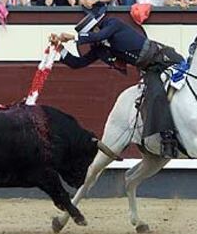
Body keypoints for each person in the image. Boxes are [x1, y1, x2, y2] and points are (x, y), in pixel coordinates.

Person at [51, 12, 184, 158]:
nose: (91, 40)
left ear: (96, 28)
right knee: (155, 95)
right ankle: (167, 138)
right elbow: (78, 63)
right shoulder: (99, 48)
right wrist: (60, 48)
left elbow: (99, 36)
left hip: (165, 59)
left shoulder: (113, 24)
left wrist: (73, 37)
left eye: (90, 33)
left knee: (166, 91)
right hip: (151, 69)